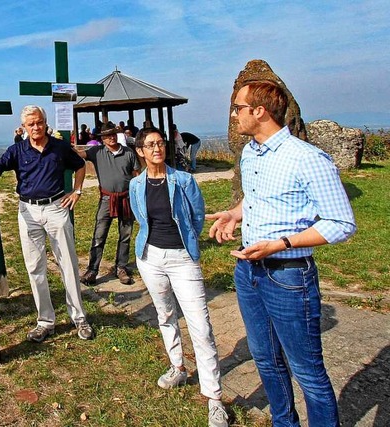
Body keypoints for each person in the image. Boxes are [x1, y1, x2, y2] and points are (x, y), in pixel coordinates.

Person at [206, 80, 356, 427]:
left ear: (259, 112)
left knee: (307, 371)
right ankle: (283, 422)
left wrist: (283, 243)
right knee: (265, 358)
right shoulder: (251, 153)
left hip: (288, 276)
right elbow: (257, 198)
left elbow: (342, 223)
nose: (234, 115)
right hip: (247, 272)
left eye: (238, 108)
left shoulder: (307, 158)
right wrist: (235, 213)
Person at [0, 105, 94, 343]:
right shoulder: (17, 151)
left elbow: (80, 165)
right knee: (35, 268)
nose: (36, 127)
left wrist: (77, 191)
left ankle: (79, 318)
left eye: (39, 122)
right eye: (30, 124)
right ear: (24, 127)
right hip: (28, 211)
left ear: (45, 122)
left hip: (56, 208)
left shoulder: (59, 147)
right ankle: (45, 321)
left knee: (68, 265)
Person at [129, 126, 228, 427]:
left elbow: (197, 216)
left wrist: (187, 242)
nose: (157, 148)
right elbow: (139, 217)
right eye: (150, 145)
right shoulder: (136, 185)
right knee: (166, 314)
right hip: (150, 257)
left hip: (183, 259)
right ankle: (177, 367)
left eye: (160, 143)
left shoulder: (184, 180)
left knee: (200, 326)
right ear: (140, 151)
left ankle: (214, 398)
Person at [75, 121, 140, 286]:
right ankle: (92, 270)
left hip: (126, 198)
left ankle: (121, 268)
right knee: (99, 235)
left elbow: (137, 175)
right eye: (106, 136)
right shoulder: (96, 152)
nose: (110, 138)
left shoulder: (128, 153)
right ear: (102, 139)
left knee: (125, 235)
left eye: (112, 134)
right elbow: (77, 154)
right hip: (106, 199)